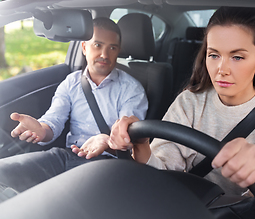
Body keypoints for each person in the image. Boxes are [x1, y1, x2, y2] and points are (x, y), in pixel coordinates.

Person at [107, 7, 255, 219]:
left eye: (237, 57)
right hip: (181, 211)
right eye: (214, 55)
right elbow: (160, 176)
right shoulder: (189, 102)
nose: (222, 69)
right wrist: (141, 144)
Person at [0, 17, 148, 196]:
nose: (104, 54)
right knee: (5, 172)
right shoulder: (71, 82)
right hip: (68, 155)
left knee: (62, 200)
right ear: (84, 48)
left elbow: (129, 139)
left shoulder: (132, 89)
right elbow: (54, 120)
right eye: (97, 45)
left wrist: (106, 142)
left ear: (118, 51)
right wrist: (41, 129)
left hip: (110, 163)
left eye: (112, 47)